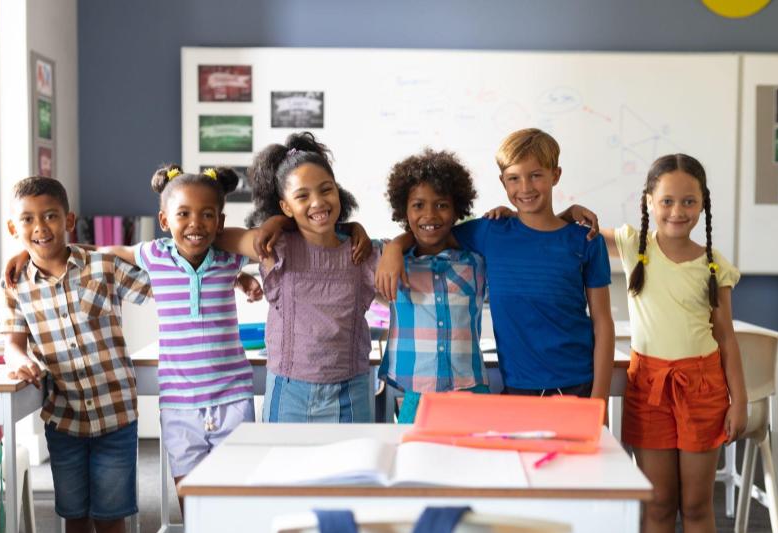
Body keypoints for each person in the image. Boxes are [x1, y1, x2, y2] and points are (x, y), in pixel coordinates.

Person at [377, 128, 614, 406]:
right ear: (503, 182)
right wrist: (395, 246)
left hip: (579, 385)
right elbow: (430, 235)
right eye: (514, 178)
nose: (525, 187)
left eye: (536, 175)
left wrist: (599, 399)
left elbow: (603, 322)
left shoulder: (585, 240)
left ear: (556, 175)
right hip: (518, 389)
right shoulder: (490, 233)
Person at [587, 153, 747, 533]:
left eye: (689, 201)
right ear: (648, 202)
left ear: (703, 203)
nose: (678, 211)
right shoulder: (632, 244)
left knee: (694, 504)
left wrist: (739, 401)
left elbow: (725, 336)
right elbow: (579, 230)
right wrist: (574, 210)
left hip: (703, 388)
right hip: (649, 389)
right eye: (667, 201)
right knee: (657, 502)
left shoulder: (713, 264)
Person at [0, 176, 152, 533]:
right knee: (74, 517)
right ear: (12, 227)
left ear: (68, 220)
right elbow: (13, 343)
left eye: (50, 216)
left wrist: (234, 278)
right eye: (28, 219)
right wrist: (18, 360)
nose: (39, 227)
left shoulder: (103, 266)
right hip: (63, 420)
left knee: (111, 517)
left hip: (115, 415)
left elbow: (161, 281)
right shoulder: (14, 283)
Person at [216, 132, 378, 422]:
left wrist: (357, 228)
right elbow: (217, 237)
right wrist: (276, 222)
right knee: (283, 466)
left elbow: (408, 255)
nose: (317, 202)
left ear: (337, 193)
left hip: (350, 392)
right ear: (286, 206)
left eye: (326, 190)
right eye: (302, 196)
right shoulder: (274, 246)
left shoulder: (360, 251)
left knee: (350, 468)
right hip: (288, 392)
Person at [379, 149, 490, 422]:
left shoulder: (476, 262)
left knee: (475, 461)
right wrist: (395, 246)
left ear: (457, 210)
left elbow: (517, 226)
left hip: (472, 392)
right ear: (404, 210)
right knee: (413, 461)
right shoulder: (392, 262)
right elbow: (345, 235)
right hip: (417, 396)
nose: (430, 215)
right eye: (418, 205)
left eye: (441, 205)